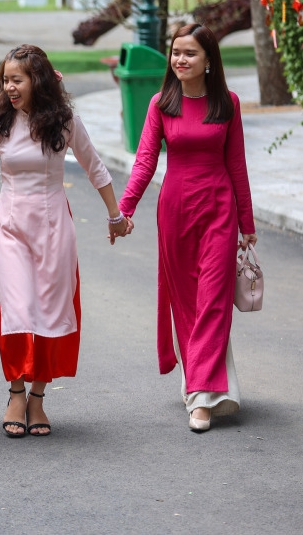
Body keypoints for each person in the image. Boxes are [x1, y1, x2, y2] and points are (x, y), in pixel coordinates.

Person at [0, 44, 128, 438]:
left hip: (53, 226)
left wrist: (115, 216)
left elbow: (95, 167)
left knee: (49, 309)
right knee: (15, 309)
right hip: (11, 226)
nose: (10, 87)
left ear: (37, 80)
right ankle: (15, 390)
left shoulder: (64, 121)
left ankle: (38, 397)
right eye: (6, 80)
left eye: (17, 80)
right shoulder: (0, 121)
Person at [118, 23, 256, 433]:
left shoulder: (227, 103)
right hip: (175, 210)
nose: (180, 59)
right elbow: (145, 161)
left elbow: (237, 165)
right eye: (176, 52)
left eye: (190, 53)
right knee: (188, 303)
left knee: (214, 298)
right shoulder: (162, 103)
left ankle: (201, 396)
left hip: (218, 210)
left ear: (208, 60)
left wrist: (246, 222)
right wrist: (124, 209)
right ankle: (202, 381)